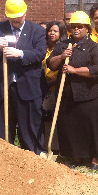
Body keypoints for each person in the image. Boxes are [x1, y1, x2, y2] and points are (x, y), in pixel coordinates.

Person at [0, 0, 47, 153]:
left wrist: (21, 53)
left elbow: (40, 53)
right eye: (12, 17)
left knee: (30, 126)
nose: (15, 20)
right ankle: (4, 156)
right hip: (2, 86)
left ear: (25, 12)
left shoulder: (37, 30)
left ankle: (33, 156)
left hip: (27, 87)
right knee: (2, 127)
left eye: (18, 16)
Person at [48, 11, 98, 169]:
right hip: (68, 94)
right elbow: (50, 64)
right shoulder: (63, 46)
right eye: (73, 27)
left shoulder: (93, 47)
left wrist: (75, 71)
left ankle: (95, 157)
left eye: (80, 27)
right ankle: (77, 156)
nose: (76, 30)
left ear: (87, 29)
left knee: (92, 126)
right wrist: (61, 57)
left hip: (91, 94)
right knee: (71, 126)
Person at [42, 21, 67, 151]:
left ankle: (57, 147)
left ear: (61, 33)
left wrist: (50, 83)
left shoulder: (63, 47)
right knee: (45, 117)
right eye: (50, 30)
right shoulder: (44, 47)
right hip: (43, 88)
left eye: (55, 31)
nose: (52, 33)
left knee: (56, 118)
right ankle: (47, 145)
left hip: (56, 87)